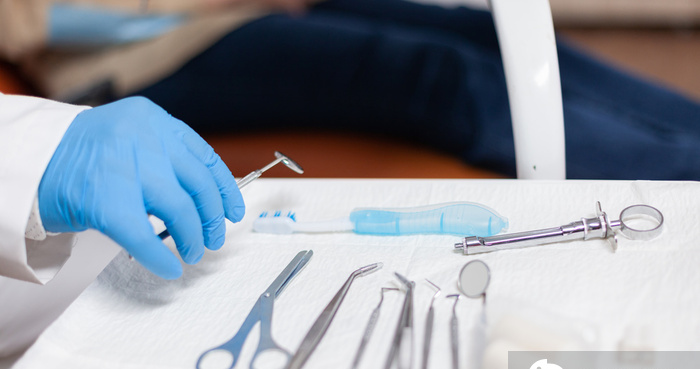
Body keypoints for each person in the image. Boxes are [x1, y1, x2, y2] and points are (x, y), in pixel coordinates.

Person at [2, 0, 700, 181]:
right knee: (439, 77)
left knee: (482, 32)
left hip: (247, 10)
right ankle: (681, 177)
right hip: (140, 56)